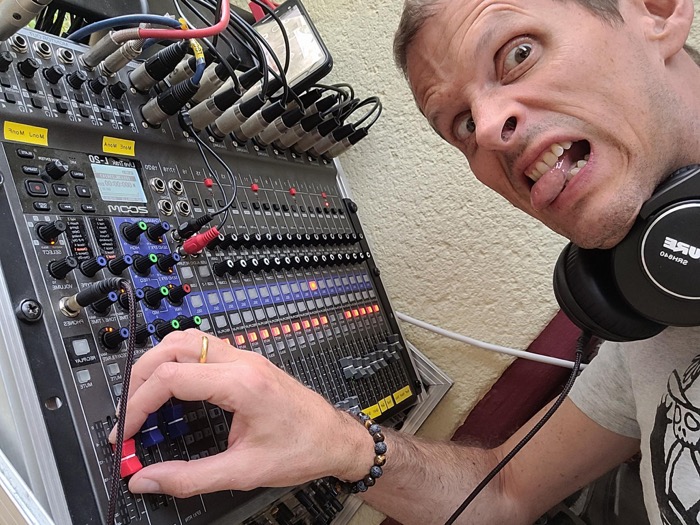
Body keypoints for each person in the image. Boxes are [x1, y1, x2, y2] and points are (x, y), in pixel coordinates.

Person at [110, 0, 700, 523]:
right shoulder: (647, 333)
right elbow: (503, 496)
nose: (488, 129)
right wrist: (342, 442)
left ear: (657, 9)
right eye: (462, 124)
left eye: (517, 53)